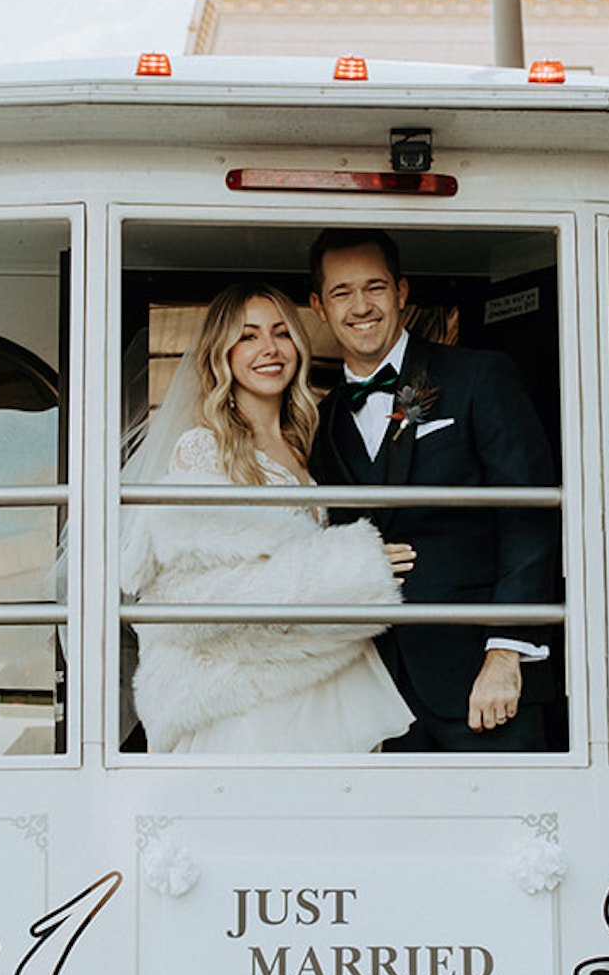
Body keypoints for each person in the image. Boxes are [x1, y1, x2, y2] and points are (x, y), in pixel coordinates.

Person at [121, 286, 414, 755]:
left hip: (326, 680)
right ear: (223, 353)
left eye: (281, 333)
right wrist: (354, 569)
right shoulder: (203, 448)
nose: (270, 349)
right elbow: (194, 597)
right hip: (250, 697)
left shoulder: (305, 442)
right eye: (249, 337)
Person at [309, 230, 560, 751]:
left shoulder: (477, 376)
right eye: (341, 292)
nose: (361, 306)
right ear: (318, 306)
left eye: (375, 287)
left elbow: (530, 516)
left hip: (480, 683)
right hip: (371, 691)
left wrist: (506, 652)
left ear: (402, 292)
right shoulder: (323, 420)